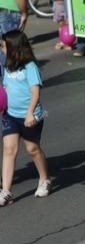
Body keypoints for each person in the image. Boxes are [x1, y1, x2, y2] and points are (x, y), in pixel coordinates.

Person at [0, 30, 50, 206]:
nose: (2, 49)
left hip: (30, 116)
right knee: (9, 149)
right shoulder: (7, 65)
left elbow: (35, 92)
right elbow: (5, 89)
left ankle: (44, 179)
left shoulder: (30, 67)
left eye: (4, 46)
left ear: (14, 48)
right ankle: (6, 191)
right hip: (11, 115)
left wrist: (30, 113)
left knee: (33, 150)